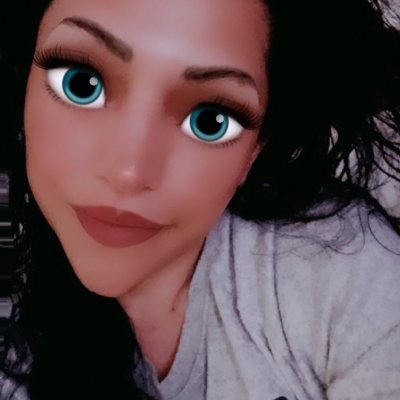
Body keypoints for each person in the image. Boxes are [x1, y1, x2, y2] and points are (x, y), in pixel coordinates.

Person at [0, 0, 399, 399]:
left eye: (210, 120)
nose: (129, 173)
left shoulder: (343, 272)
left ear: (254, 151)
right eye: (82, 83)